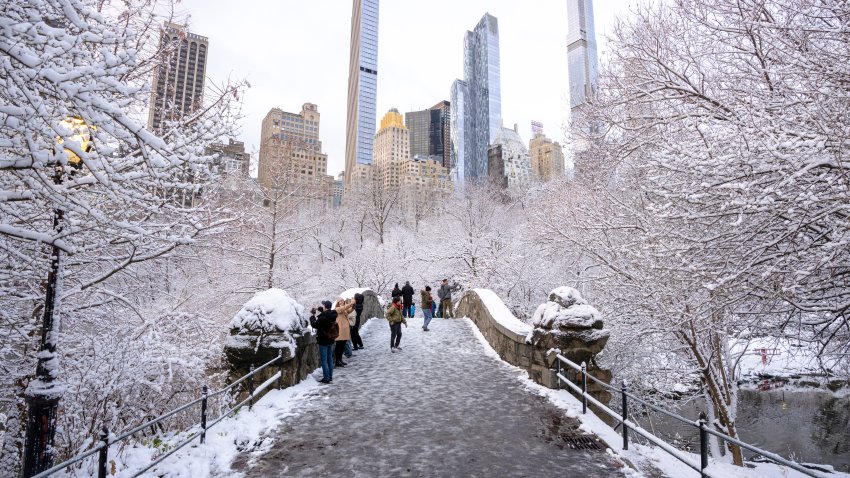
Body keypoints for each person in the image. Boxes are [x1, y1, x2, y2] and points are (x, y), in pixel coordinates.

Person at [310, 302, 338, 384]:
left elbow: (314, 325)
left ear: (325, 306)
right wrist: (319, 309)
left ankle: (326, 377)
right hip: (330, 339)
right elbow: (326, 313)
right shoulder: (333, 315)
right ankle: (330, 376)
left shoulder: (322, 318)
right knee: (330, 359)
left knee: (324, 360)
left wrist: (312, 316)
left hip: (323, 341)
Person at [334, 298, 355, 367]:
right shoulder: (337, 308)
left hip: (345, 330)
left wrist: (353, 305)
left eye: (342, 300)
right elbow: (343, 308)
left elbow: (349, 310)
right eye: (340, 301)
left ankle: (340, 360)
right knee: (338, 346)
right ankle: (337, 361)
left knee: (342, 346)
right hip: (340, 330)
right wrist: (351, 303)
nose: (341, 302)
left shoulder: (344, 308)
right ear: (337, 302)